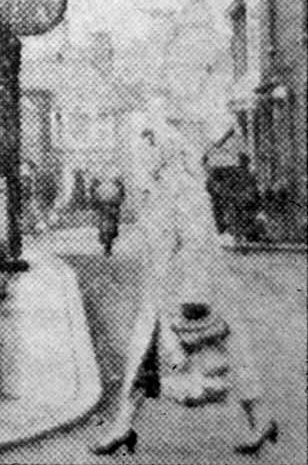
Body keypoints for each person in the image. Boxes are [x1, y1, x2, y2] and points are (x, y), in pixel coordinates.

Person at [91, 115, 280, 456]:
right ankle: (123, 423)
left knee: (222, 349)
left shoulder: (183, 188)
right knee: (146, 353)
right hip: (167, 292)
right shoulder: (162, 184)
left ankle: (259, 417)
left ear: (166, 148)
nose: (144, 154)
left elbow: (195, 246)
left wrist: (190, 299)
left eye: (150, 145)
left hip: (186, 292)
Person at [94, 173, 126, 257]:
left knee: (108, 228)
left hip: (108, 211)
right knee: (108, 228)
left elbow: (121, 198)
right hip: (108, 211)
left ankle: (107, 245)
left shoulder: (105, 189)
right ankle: (107, 246)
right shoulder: (112, 189)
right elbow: (121, 198)